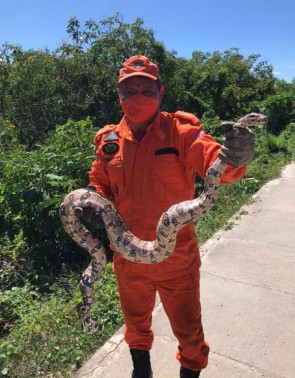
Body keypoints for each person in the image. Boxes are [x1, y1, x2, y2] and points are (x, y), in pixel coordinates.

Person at [85, 55, 255, 378]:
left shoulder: (180, 130)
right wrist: (95, 202)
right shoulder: (108, 142)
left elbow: (212, 158)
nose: (138, 96)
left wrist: (234, 157)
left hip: (177, 260)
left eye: (146, 89)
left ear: (160, 93)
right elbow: (99, 182)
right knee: (136, 326)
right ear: (118, 96)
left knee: (190, 337)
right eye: (129, 90)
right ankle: (141, 370)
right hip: (129, 261)